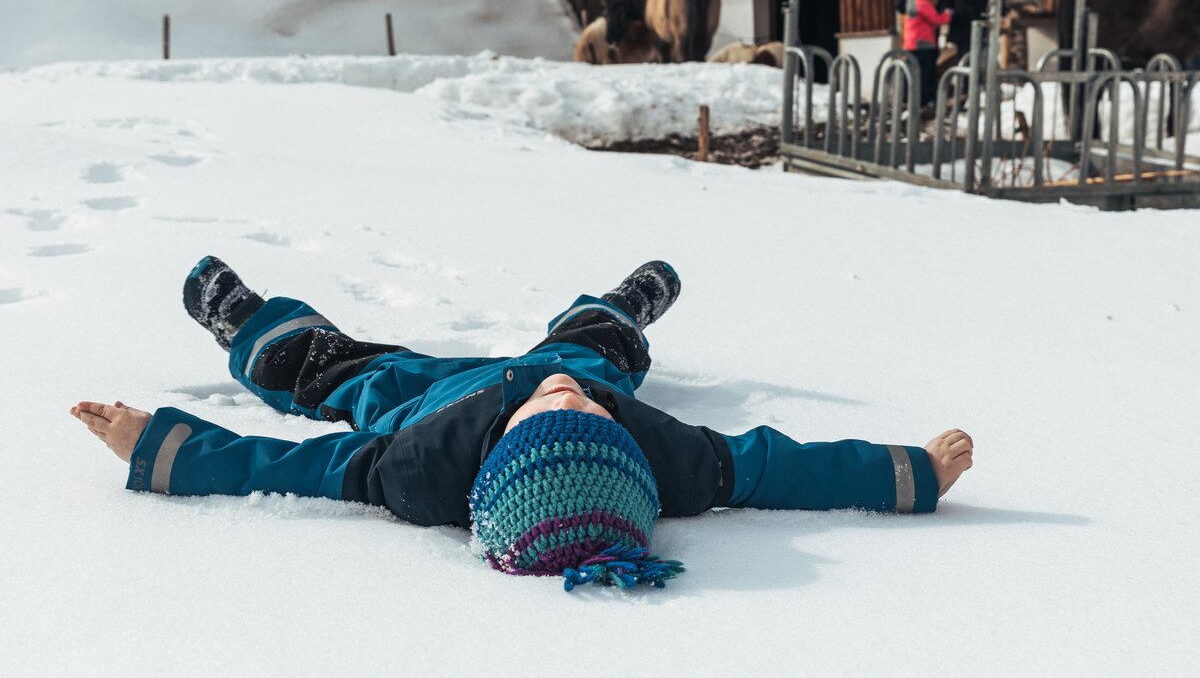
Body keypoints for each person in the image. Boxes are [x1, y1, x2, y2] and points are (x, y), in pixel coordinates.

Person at [71, 257, 975, 592]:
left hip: (426, 397)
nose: (564, 403)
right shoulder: (670, 458)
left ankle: (247, 321)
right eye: (584, 419)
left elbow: (279, 466)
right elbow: (782, 468)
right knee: (594, 350)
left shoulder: (415, 469)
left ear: (494, 462)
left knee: (330, 373)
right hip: (558, 379)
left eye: (554, 416)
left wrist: (155, 444)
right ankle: (624, 305)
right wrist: (910, 473)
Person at [902, 0, 951, 111]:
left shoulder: (911, 0)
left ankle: (909, 100)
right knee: (925, 74)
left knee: (912, 73)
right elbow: (937, 19)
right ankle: (925, 102)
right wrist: (948, 14)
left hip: (911, 44)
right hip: (924, 44)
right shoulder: (922, 3)